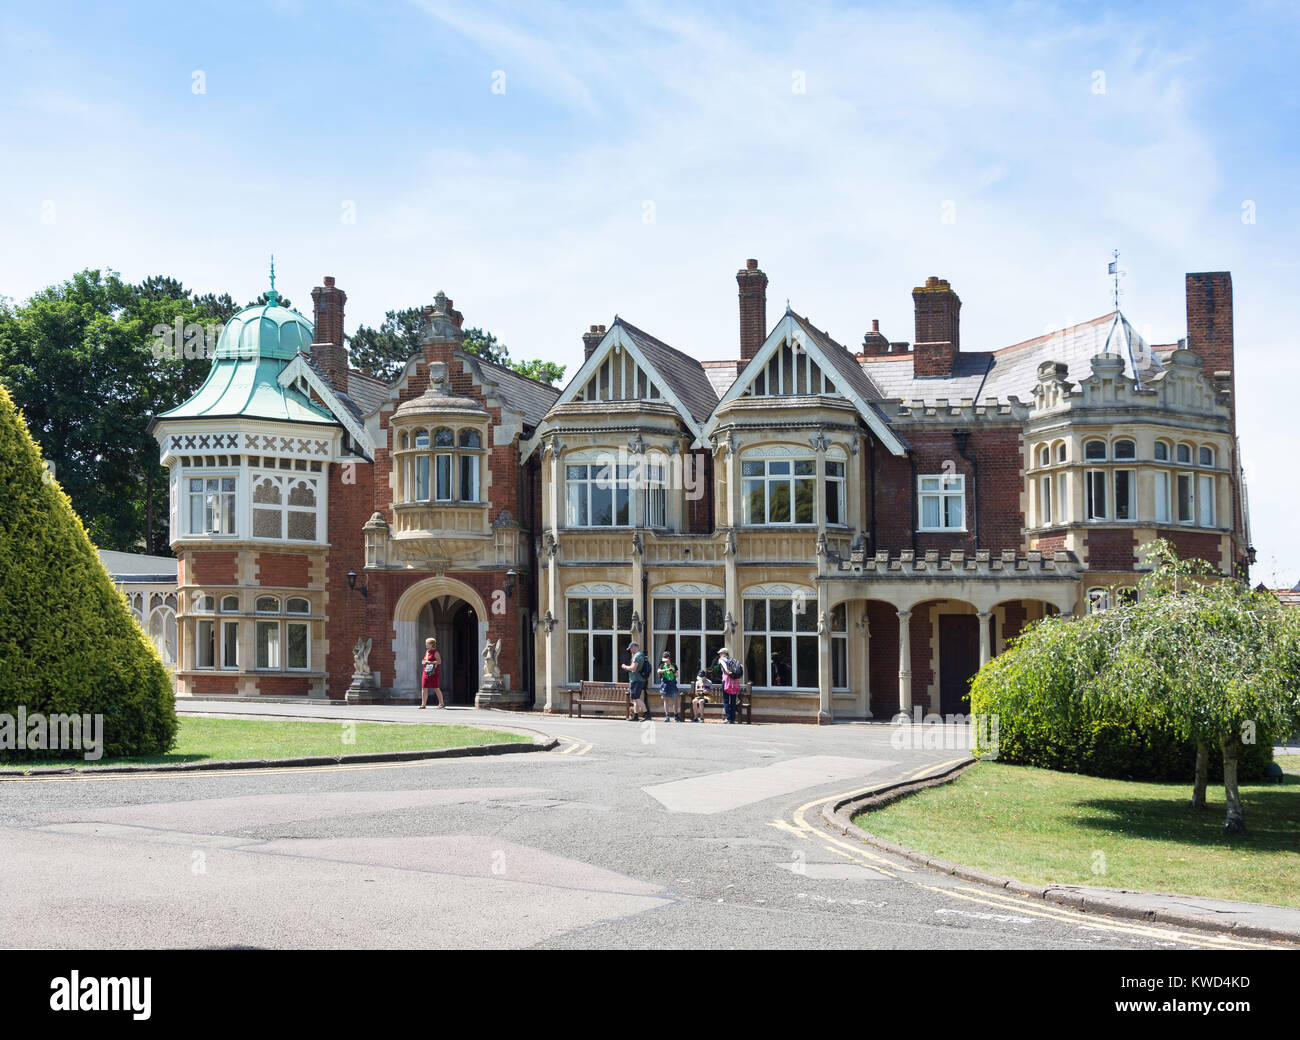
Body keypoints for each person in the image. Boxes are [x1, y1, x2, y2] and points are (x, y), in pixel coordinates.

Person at [620, 640, 650, 720]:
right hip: (638, 679)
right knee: (634, 698)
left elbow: (633, 668)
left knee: (636, 698)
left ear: (634, 647)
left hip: (636, 680)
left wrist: (624, 667)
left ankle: (647, 714)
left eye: (630, 648)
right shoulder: (641, 655)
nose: (630, 650)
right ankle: (635, 716)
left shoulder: (637, 656)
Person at [717, 646, 741, 724]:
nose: (720, 655)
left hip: (726, 681)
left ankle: (728, 718)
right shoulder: (732, 660)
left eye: (720, 653)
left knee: (726, 700)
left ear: (724, 654)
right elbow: (741, 667)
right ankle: (733, 719)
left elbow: (724, 666)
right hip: (734, 681)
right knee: (733, 700)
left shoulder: (721, 659)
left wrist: (727, 671)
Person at [421, 637, 445, 709]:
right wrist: (423, 661)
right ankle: (423, 704)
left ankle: (441, 703)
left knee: (436, 687)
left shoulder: (435, 652)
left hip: (433, 672)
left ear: (431, 644)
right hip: (426, 671)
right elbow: (425, 659)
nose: (426, 644)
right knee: (424, 687)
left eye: (427, 643)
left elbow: (439, 661)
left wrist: (430, 662)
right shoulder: (427, 651)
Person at [658, 651, 679, 722]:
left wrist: (673, 671)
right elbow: (658, 671)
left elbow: (677, 675)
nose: (665, 662)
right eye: (664, 660)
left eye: (666, 660)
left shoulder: (674, 665)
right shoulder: (662, 665)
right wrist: (666, 669)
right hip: (665, 684)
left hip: (672, 684)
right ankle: (667, 716)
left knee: (675, 700)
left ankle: (676, 715)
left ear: (669, 658)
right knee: (666, 700)